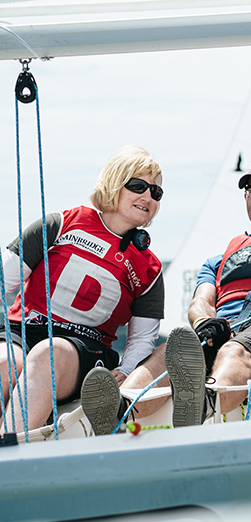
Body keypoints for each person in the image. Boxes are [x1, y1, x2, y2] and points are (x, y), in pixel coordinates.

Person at [80, 157, 251, 432]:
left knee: (234, 350)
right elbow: (201, 301)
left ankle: (204, 404)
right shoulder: (218, 260)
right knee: (169, 351)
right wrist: (204, 323)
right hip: (223, 331)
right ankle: (118, 411)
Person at [0, 145, 164, 434]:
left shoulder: (149, 268)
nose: (148, 196)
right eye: (138, 186)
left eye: (156, 192)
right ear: (114, 183)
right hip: (23, 330)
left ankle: (9, 451)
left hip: (83, 348)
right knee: (3, 363)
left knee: (48, 354)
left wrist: (126, 372)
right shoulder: (60, 225)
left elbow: (142, 339)